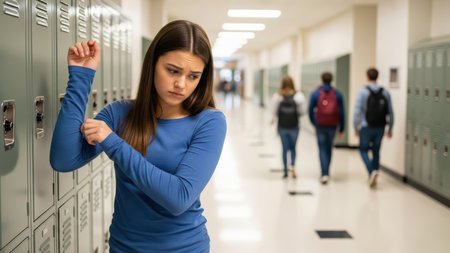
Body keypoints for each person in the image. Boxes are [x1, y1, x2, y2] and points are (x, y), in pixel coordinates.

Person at [50, 20, 227, 252]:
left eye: (193, 76)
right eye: (173, 71)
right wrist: (81, 78)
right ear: (153, 64)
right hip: (124, 247)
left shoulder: (209, 122)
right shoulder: (119, 113)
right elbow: (63, 159)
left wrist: (113, 142)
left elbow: (179, 198)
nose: (181, 84)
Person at [354, 67, 393, 188]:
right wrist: (390, 128)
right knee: (376, 150)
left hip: (366, 126)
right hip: (381, 126)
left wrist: (355, 127)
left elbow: (357, 111)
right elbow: (390, 112)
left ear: (367, 77)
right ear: (377, 77)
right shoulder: (385, 92)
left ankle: (371, 171)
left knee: (363, 149)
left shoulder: (362, 91)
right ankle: (375, 170)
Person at [308, 72, 345, 184]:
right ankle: (327, 172)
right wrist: (342, 128)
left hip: (320, 125)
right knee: (329, 148)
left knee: (322, 148)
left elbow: (310, 110)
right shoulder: (337, 94)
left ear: (321, 79)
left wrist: (315, 123)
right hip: (333, 125)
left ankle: (324, 173)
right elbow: (342, 113)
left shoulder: (316, 93)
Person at [271, 75, 306, 179]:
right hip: (294, 125)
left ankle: (285, 171)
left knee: (284, 148)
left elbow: (274, 111)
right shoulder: (298, 96)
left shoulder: (278, 96)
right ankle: (293, 166)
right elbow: (303, 112)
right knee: (293, 147)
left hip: (282, 125)